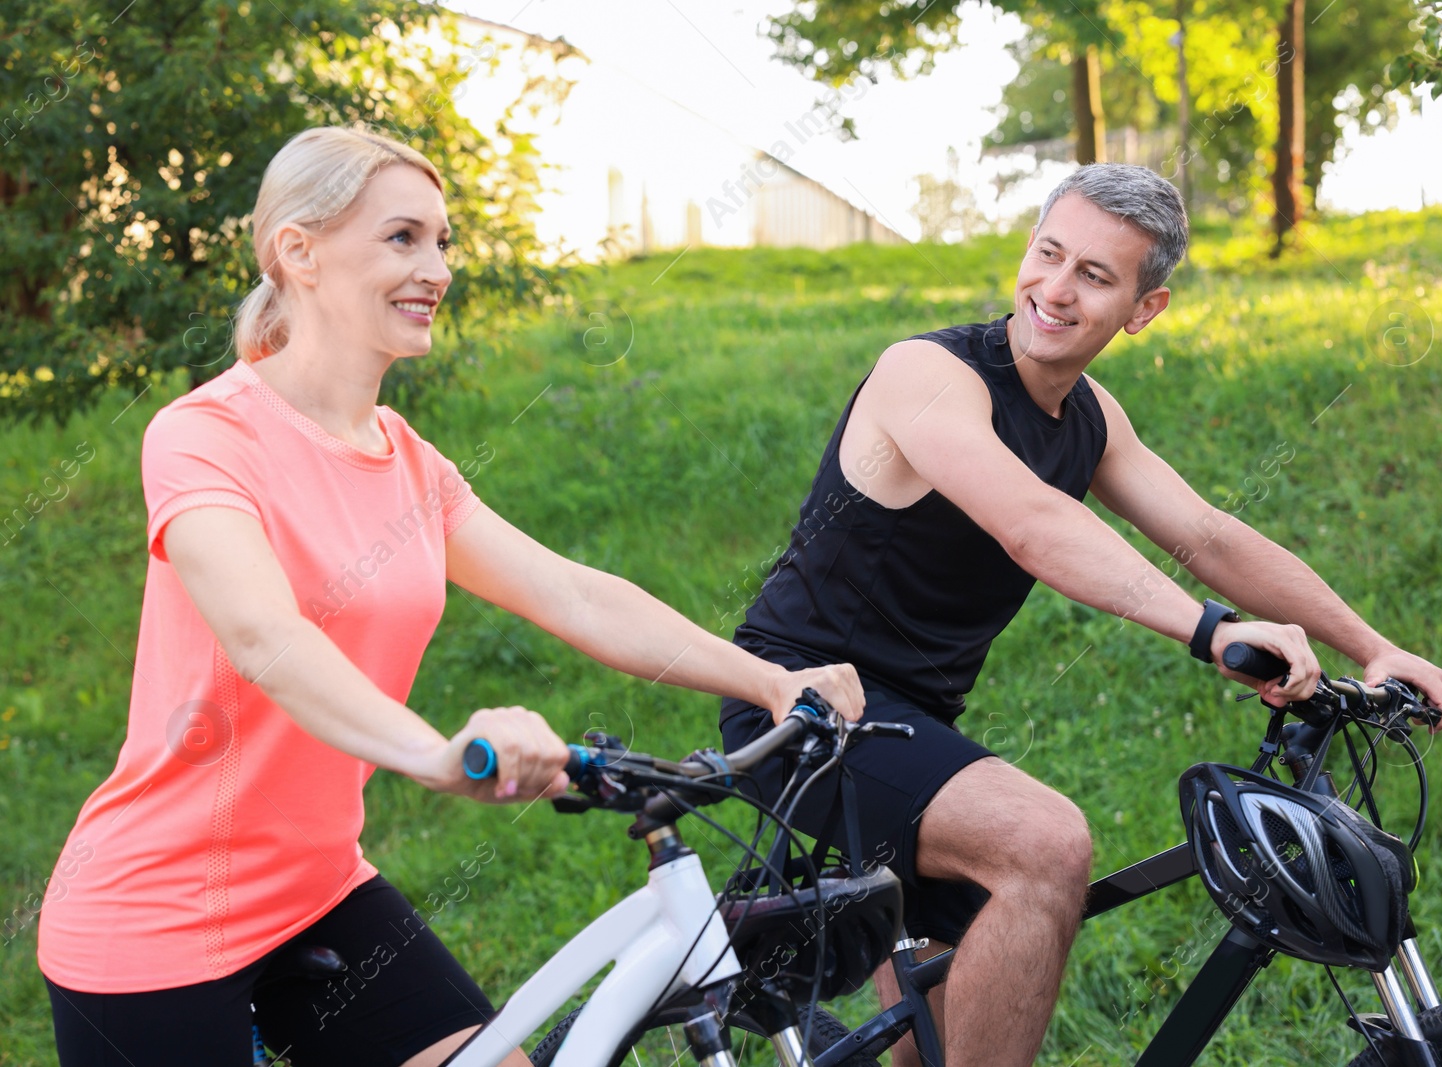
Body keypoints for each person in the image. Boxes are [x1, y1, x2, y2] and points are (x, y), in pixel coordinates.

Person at [35, 125, 864, 1067]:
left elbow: (574, 595)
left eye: (443, 242)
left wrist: (767, 679)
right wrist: (436, 756)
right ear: (296, 251)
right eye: (402, 238)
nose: (435, 267)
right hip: (155, 916)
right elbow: (267, 637)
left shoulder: (410, 465)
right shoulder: (203, 437)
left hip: (315, 888)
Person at [719, 162, 1442, 1067]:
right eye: (1048, 255)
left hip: (914, 733)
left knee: (937, 1028)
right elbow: (1034, 524)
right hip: (798, 706)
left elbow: (1208, 535)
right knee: (1044, 844)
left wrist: (1372, 646)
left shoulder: (1088, 419)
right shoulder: (926, 374)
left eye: (1095, 276)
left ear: (1143, 310)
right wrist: (1211, 630)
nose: (1055, 291)